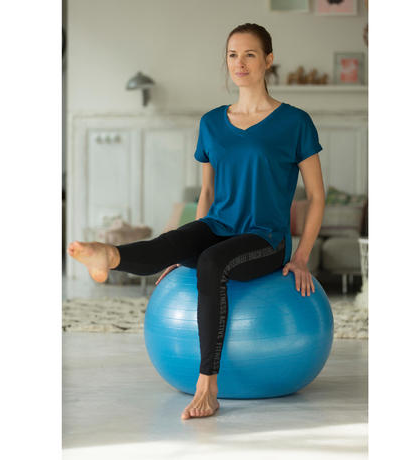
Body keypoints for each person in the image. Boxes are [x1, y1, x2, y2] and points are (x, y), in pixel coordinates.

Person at [67, 23, 326, 421]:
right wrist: (187, 246)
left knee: (211, 262)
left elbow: (316, 196)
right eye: (232, 55)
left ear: (268, 60)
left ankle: (207, 384)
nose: (239, 63)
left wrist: (302, 256)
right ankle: (109, 256)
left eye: (250, 54)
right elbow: (207, 192)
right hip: (218, 225)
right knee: (171, 242)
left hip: (265, 238)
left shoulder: (295, 122)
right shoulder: (211, 123)